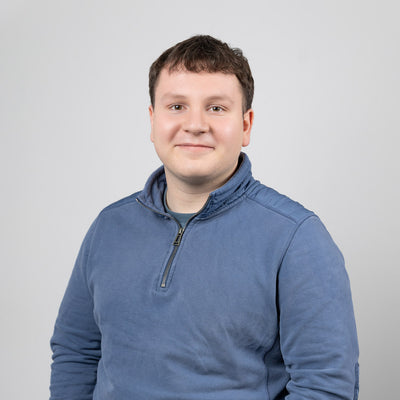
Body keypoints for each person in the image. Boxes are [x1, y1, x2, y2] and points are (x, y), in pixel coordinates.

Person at [50, 35, 359, 399]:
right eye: (176, 106)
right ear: (152, 120)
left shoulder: (296, 238)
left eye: (216, 108)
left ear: (246, 125)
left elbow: (325, 385)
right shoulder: (109, 227)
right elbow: (76, 353)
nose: (195, 124)